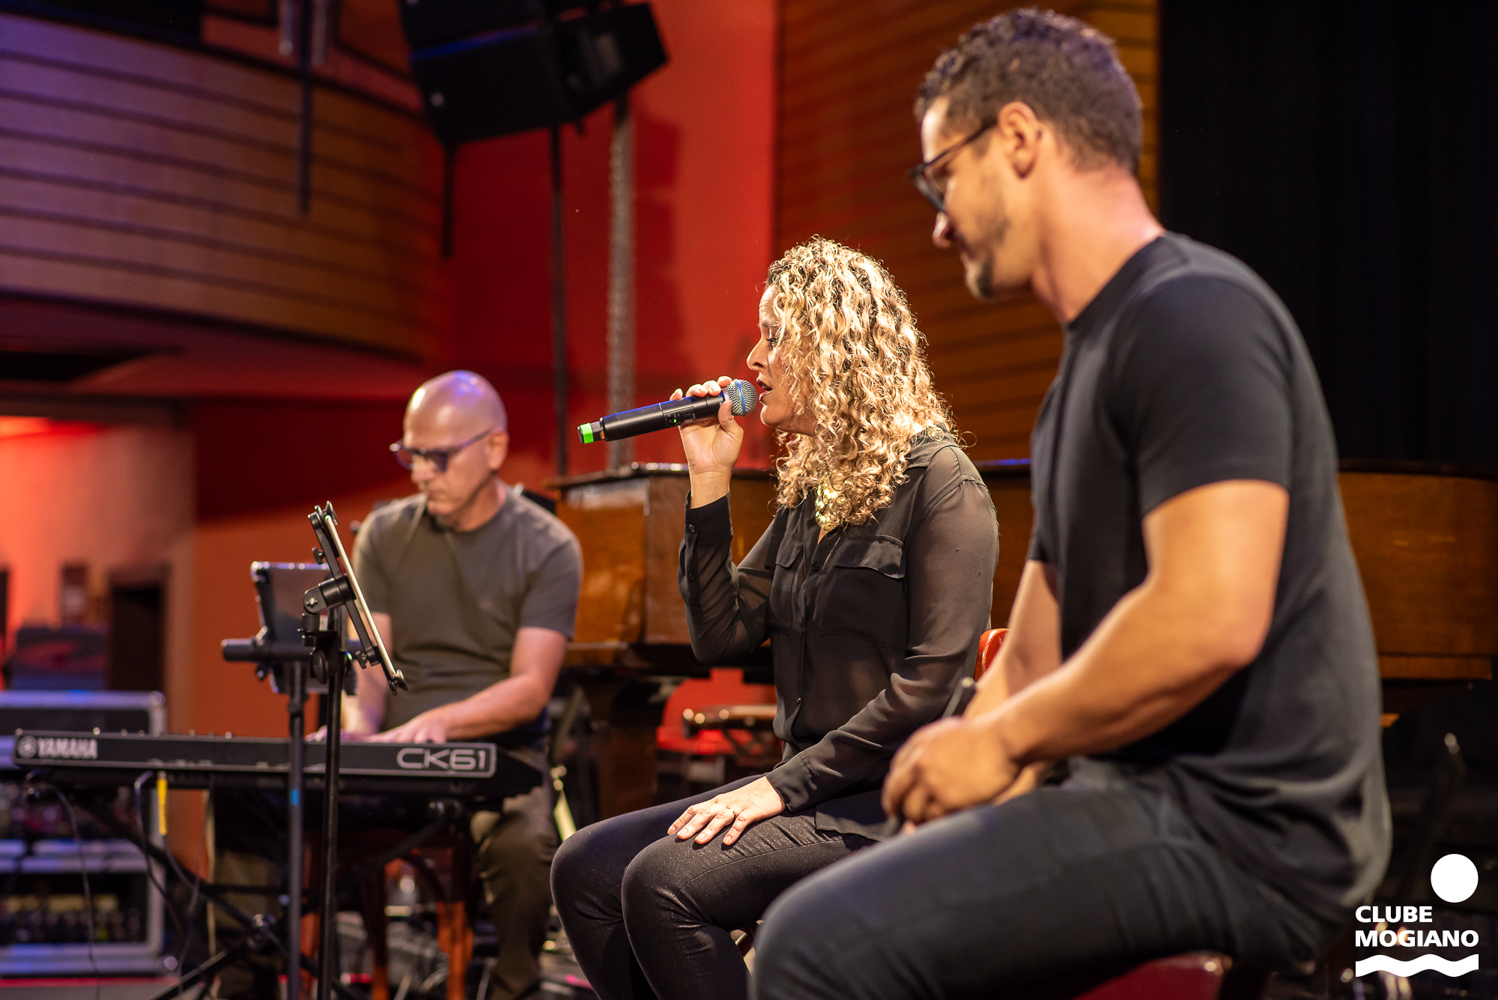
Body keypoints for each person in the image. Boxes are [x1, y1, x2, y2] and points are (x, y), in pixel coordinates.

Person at [752, 11, 1391, 1000]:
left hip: (1247, 831)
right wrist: (950, 769)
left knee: (809, 945)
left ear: (1018, 138)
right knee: (841, 909)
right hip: (1137, 797)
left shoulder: (1192, 313)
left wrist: (1001, 742)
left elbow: (1209, 618)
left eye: (940, 176)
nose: (937, 223)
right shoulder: (1076, 383)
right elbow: (1035, 651)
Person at [550, 237, 999, 1000]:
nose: (755, 359)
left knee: (663, 882)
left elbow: (933, 685)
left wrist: (785, 787)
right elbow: (718, 636)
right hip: (805, 787)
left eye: (775, 336)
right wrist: (708, 479)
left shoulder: (942, 484)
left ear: (835, 348)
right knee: (586, 870)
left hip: (884, 802)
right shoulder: (815, 491)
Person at [215, 371, 581, 1000]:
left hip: (496, 758)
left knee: (524, 843)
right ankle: (245, 985)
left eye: (438, 457)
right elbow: (367, 664)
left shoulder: (549, 546)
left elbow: (530, 687)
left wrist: (440, 723)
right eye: (410, 456)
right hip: (393, 757)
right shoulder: (385, 533)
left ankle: (513, 988)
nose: (421, 474)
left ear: (494, 448)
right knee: (246, 793)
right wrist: (359, 726)